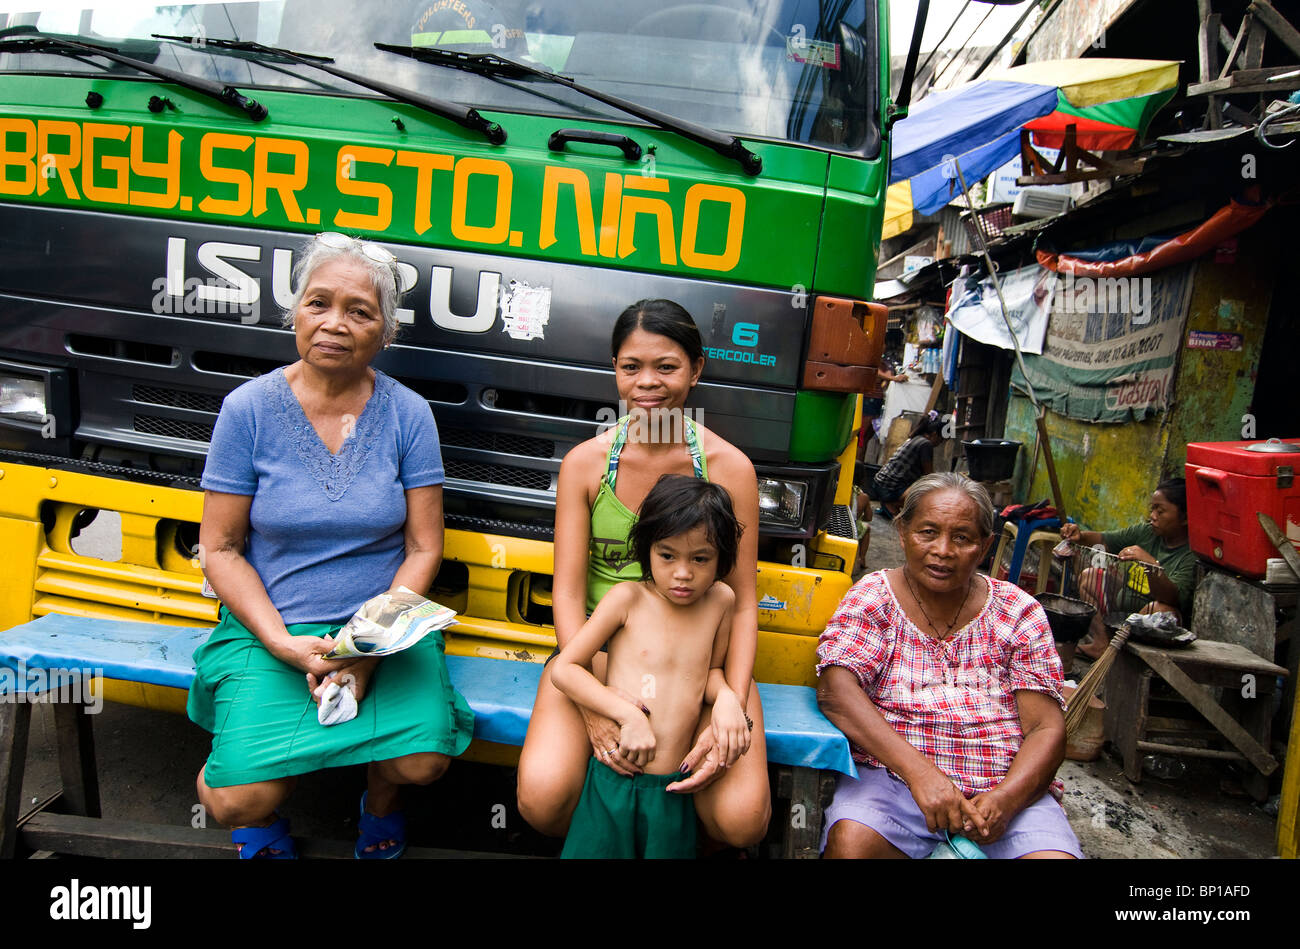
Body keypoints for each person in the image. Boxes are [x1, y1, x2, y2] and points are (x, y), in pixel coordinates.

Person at [189, 231, 474, 859]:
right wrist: (285, 646)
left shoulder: (408, 414)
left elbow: (425, 546)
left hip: (381, 629)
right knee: (234, 799)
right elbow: (222, 549)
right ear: (295, 312)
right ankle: (261, 823)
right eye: (318, 304)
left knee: (423, 762)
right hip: (274, 626)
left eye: (359, 311)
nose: (334, 324)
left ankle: (379, 806)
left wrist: (367, 651)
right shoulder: (248, 410)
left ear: (385, 332)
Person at [517, 299, 771, 848]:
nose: (647, 383)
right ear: (614, 369)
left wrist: (731, 698)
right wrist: (590, 699)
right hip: (599, 656)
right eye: (631, 367)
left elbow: (745, 600)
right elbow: (566, 590)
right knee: (542, 800)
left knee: (742, 822)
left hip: (704, 664)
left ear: (697, 370)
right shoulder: (586, 464)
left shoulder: (730, 469)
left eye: (667, 366)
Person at [816, 472, 1082, 859]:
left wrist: (1007, 799)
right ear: (903, 531)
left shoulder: (1017, 610)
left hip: (1001, 787)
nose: (943, 550)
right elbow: (836, 692)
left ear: (985, 546)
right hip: (894, 779)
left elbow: (1045, 725)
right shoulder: (875, 596)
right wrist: (921, 774)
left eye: (962, 537)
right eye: (928, 532)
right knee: (852, 845)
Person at [551, 475, 742, 858]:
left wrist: (726, 700)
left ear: (722, 557)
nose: (683, 573)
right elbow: (565, 668)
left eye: (700, 558)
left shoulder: (721, 601)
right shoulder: (627, 599)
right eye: (667, 555)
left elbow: (711, 673)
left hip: (674, 787)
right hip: (613, 781)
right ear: (646, 549)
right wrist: (627, 715)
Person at [1058, 477, 1193, 660]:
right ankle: (1102, 645)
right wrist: (1079, 536)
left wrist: (1151, 565)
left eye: (1160, 511)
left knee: (1162, 610)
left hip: (1151, 623)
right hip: (1122, 610)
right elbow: (1104, 540)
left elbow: (1172, 597)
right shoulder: (1147, 532)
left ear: (1185, 518)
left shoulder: (1190, 554)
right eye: (1152, 509)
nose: (1153, 516)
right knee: (1090, 576)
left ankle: (1129, 659)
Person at [871, 415, 944, 518]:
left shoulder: (916, 438)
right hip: (888, 488)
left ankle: (889, 503)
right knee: (928, 489)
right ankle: (892, 504)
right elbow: (929, 475)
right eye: (941, 440)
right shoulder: (925, 444)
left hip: (880, 483)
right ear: (934, 434)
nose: (939, 444)